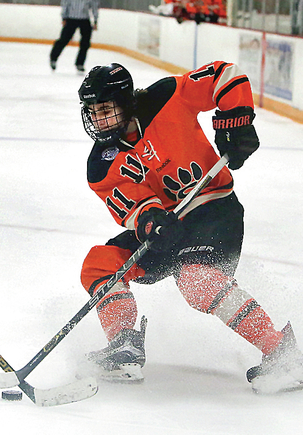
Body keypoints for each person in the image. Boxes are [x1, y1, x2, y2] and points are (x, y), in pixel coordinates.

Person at [76, 61, 303, 393]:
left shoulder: (166, 97)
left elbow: (225, 74)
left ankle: (283, 354)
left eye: (106, 108)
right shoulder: (101, 164)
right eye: (92, 111)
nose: (98, 118)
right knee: (99, 264)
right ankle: (124, 345)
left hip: (215, 209)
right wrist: (149, 220)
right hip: (167, 229)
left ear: (126, 101)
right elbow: (132, 205)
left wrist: (236, 121)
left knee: (196, 280)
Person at [49, 0, 99, 73]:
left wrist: (95, 20)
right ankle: (53, 58)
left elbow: (94, 7)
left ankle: (80, 63)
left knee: (85, 42)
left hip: (84, 19)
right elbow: (65, 5)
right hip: (71, 19)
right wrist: (64, 18)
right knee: (64, 39)